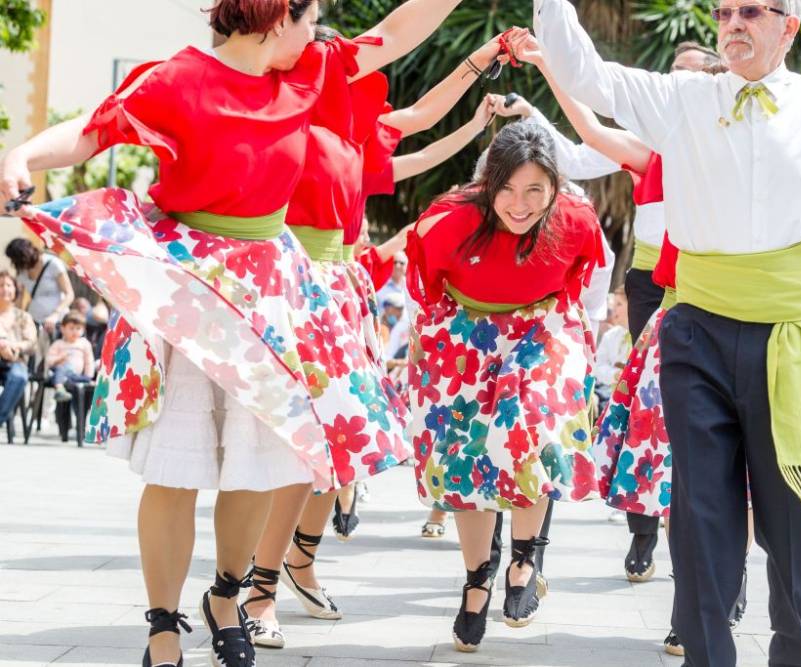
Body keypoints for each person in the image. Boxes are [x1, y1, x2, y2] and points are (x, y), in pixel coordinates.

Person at [1, 1, 467, 665]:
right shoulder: (178, 79)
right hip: (186, 285)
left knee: (254, 465)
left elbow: (394, 33)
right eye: (310, 17)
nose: (317, 33)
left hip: (268, 293)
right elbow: (93, 130)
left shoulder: (306, 71)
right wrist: (23, 153)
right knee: (173, 467)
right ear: (281, 18)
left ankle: (225, 595)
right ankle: (163, 628)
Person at [528, 1, 801, 664]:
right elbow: (590, 79)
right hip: (695, 330)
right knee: (700, 512)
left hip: (794, 335)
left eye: (753, 10)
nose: (734, 23)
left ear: (790, 26)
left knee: (794, 514)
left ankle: (795, 653)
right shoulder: (683, 98)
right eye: (724, 12)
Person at [241, 31, 516, 649]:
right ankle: (256, 586)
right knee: (283, 446)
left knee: (337, 448)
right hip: (283, 285)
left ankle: (299, 561)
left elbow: (418, 125)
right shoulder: (278, 113)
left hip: (339, 292)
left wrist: (479, 92)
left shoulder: (349, 131)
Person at [492, 41, 723, 586]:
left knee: (700, 419)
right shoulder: (650, 141)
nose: (677, 86)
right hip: (652, 282)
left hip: (716, 285)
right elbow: (578, 149)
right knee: (653, 409)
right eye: (673, 75)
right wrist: (535, 106)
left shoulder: (730, 143)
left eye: (693, 77)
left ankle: (714, 570)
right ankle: (644, 532)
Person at [406, 121, 606, 652]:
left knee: (528, 427)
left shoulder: (577, 220)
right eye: (507, 190)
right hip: (467, 329)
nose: (519, 205)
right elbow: (425, 284)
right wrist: (424, 336)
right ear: (488, 185)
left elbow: (583, 278)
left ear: (554, 188)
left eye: (534, 190)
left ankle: (523, 557)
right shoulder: (447, 219)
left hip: (542, 325)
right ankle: (477, 580)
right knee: (463, 459)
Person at [4, 239, 74, 339]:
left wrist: (55, 315)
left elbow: (69, 294)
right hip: (35, 322)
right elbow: (19, 299)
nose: (13, 263)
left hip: (58, 322)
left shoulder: (53, 263)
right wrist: (18, 319)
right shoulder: (21, 271)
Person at [0, 271, 36, 428]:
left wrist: (13, 347)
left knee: (19, 376)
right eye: (0, 285)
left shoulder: (23, 316)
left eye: (8, 285)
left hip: (16, 360)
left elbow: (30, 342)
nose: (4, 289)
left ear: (15, 289)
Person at [45, 311, 95, 402]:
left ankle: (85, 381)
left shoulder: (84, 344)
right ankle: (59, 389)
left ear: (83, 330)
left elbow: (89, 361)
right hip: (58, 374)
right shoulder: (59, 344)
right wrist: (59, 358)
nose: (75, 331)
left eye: (78, 328)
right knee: (61, 368)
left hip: (74, 375)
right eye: (71, 328)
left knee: (85, 380)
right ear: (63, 329)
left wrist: (89, 376)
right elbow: (48, 360)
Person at [593, 287, 629, 412]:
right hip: (610, 393)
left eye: (619, 304)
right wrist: (615, 374)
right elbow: (598, 366)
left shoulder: (644, 337)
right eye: (614, 304)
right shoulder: (611, 336)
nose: (613, 309)